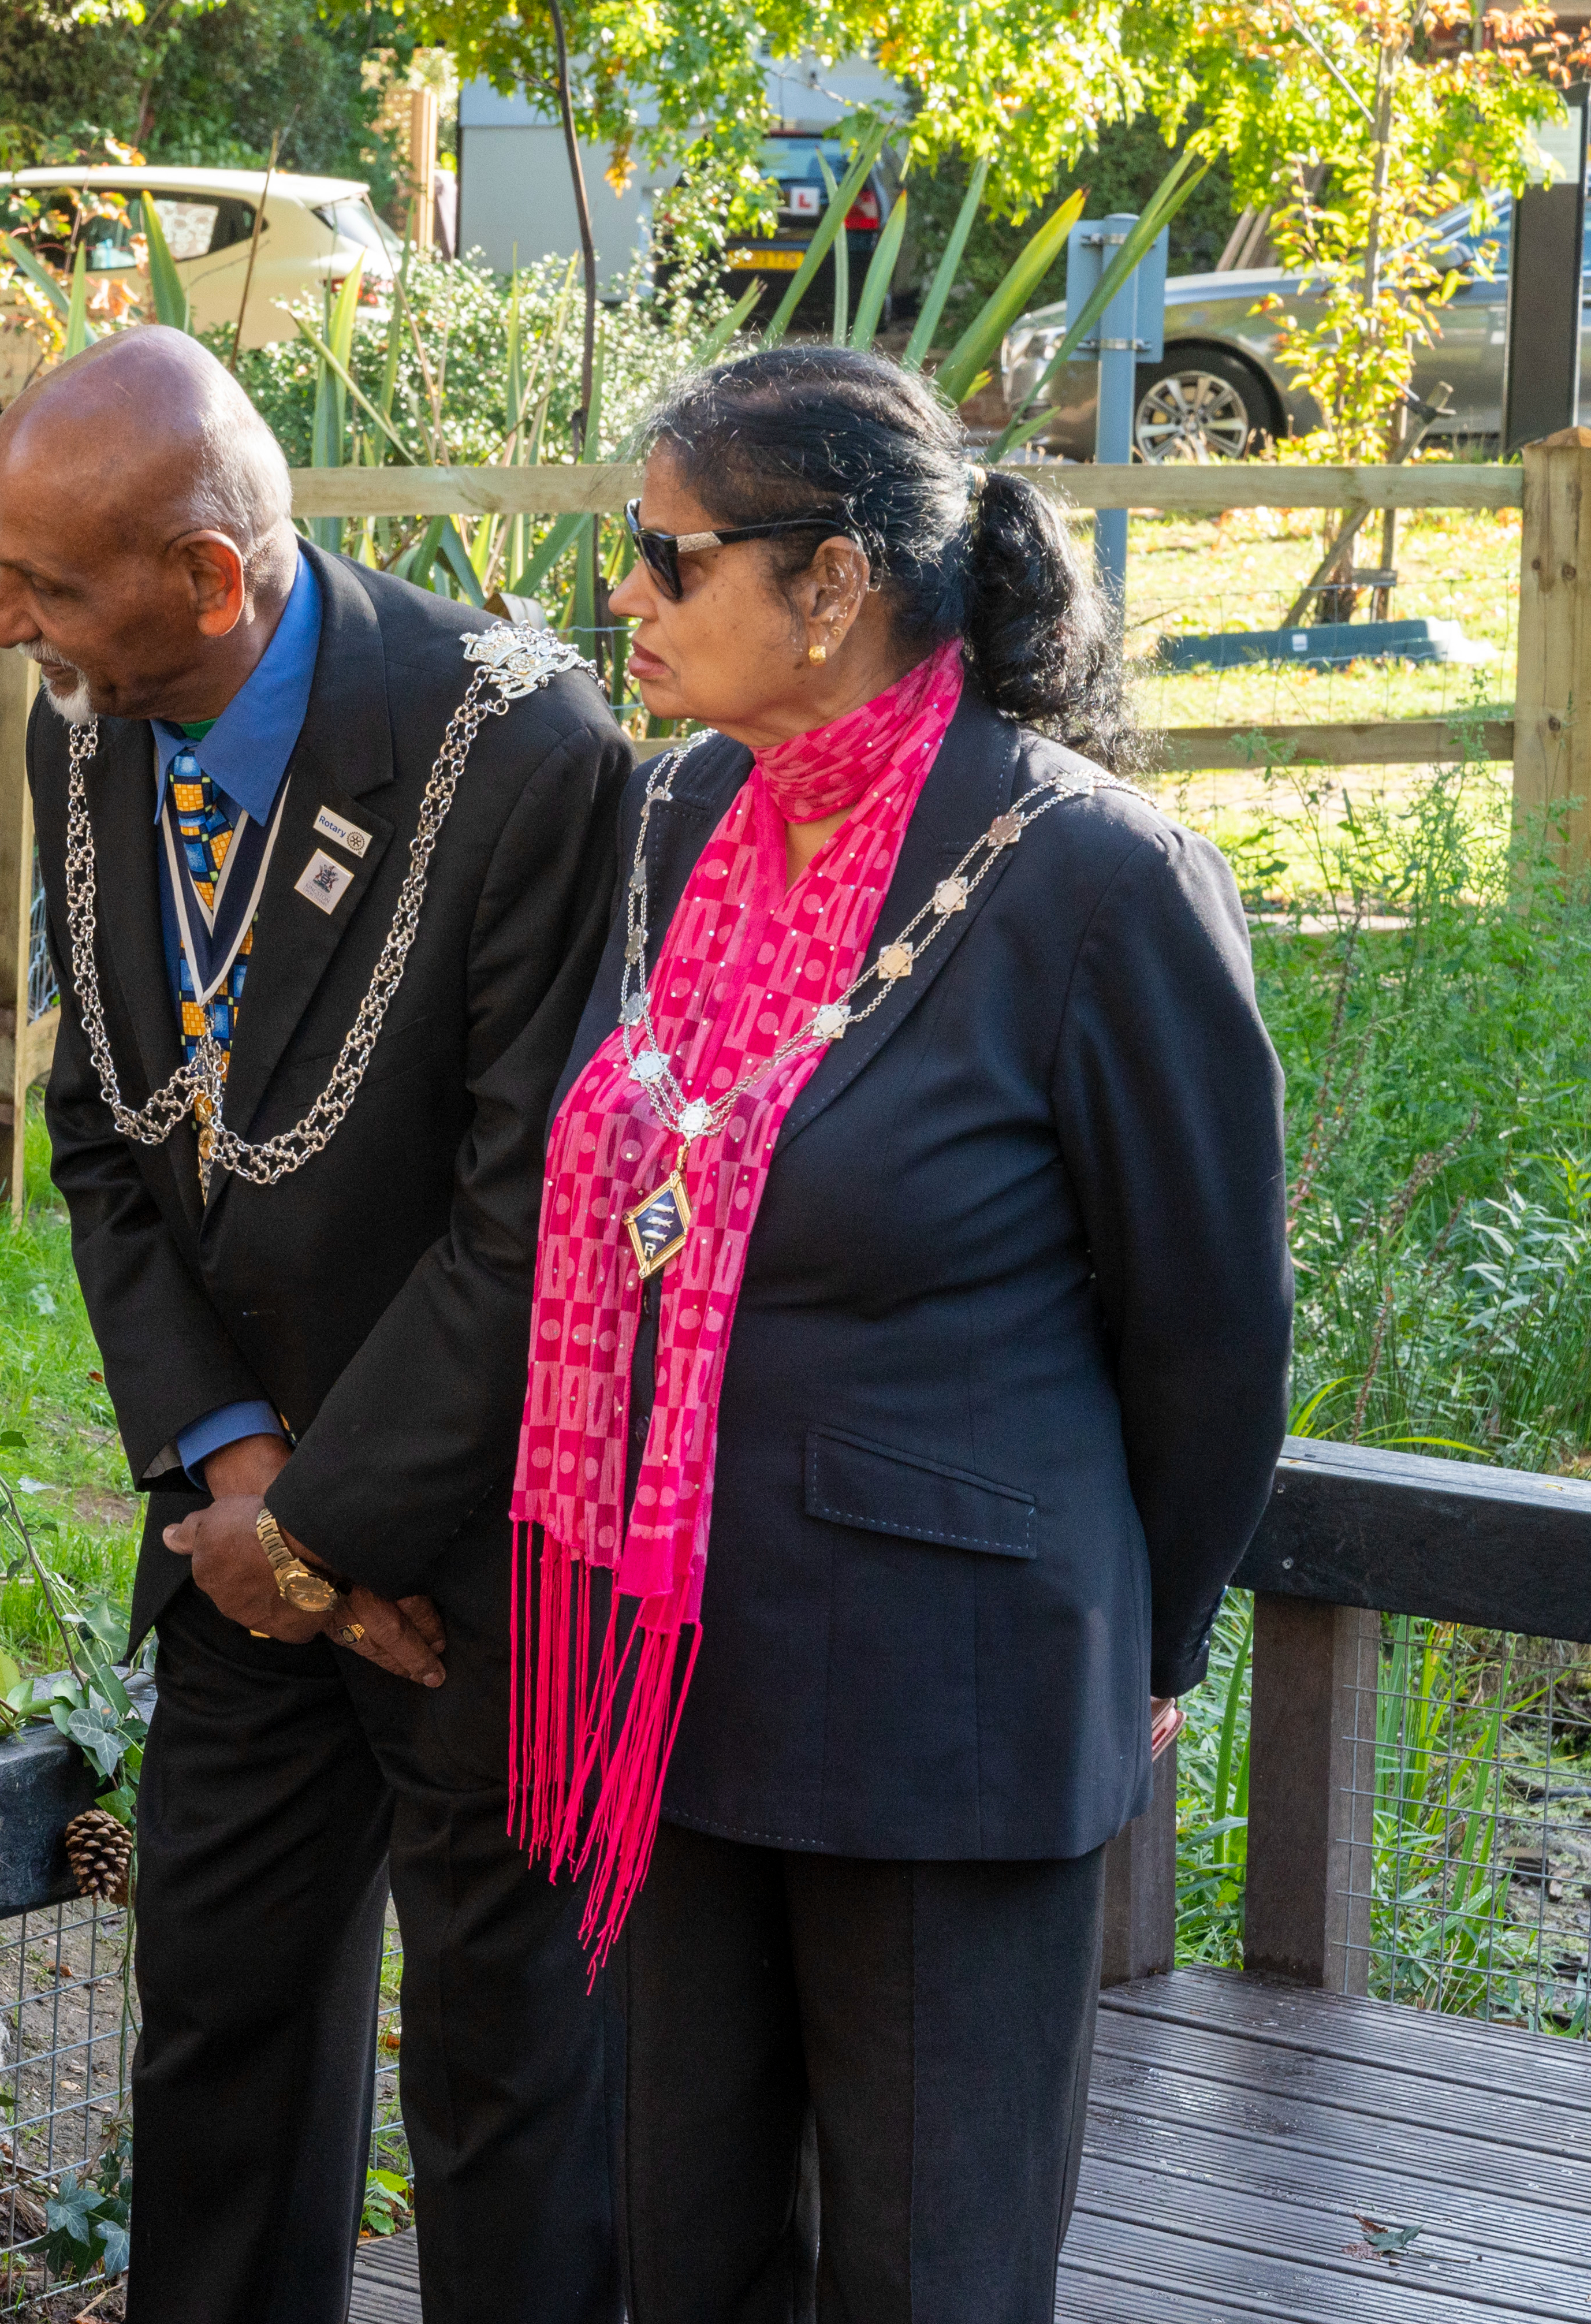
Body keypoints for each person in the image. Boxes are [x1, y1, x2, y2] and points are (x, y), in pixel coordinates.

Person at [509, 343, 1291, 2321]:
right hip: (670, 1662)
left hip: (948, 1703)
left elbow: (1208, 1338)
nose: (628, 596)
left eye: (665, 557)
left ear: (832, 582)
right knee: (678, 2244)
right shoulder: (687, 812)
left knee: (929, 2268)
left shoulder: (1096, 880)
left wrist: (1154, 1646)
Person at [0, 326, 630, 2323]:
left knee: (507, 2087)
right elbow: (99, 1130)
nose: (6, 627)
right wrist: (232, 1478)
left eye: (46, 588)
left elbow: (530, 1221)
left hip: (479, 1544)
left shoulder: (523, 750)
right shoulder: (80, 728)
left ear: (207, 576)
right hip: (238, 1522)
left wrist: (327, 1529)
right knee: (222, 2035)